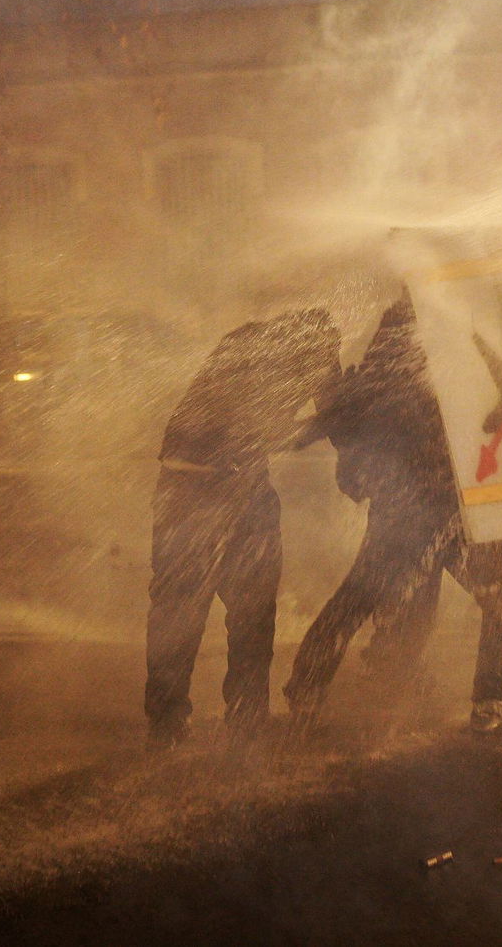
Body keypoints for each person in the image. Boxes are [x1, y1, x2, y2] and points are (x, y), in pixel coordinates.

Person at [283, 295, 502, 736]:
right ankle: (485, 699)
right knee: (369, 598)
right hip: (419, 508)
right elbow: (363, 412)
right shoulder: (414, 337)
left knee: (495, 590)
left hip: (435, 504)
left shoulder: (432, 337)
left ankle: (310, 691)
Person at [143, 308, 342, 749]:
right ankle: (223, 720)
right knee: (216, 613)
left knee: (201, 612)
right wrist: (329, 420)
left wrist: (334, 416)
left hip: (203, 486)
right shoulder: (279, 355)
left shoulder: (255, 342)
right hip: (207, 490)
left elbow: (323, 411)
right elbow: (276, 428)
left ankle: (194, 722)